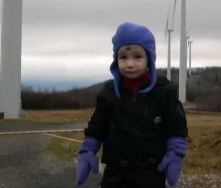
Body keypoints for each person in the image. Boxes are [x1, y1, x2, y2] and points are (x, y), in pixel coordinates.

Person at [76, 22, 188, 188]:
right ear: (116, 60)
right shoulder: (108, 92)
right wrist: (87, 150)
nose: (129, 64)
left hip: (150, 171)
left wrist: (176, 153)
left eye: (137, 57)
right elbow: (97, 125)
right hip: (115, 172)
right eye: (123, 57)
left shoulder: (165, 90)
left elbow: (176, 125)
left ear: (149, 58)